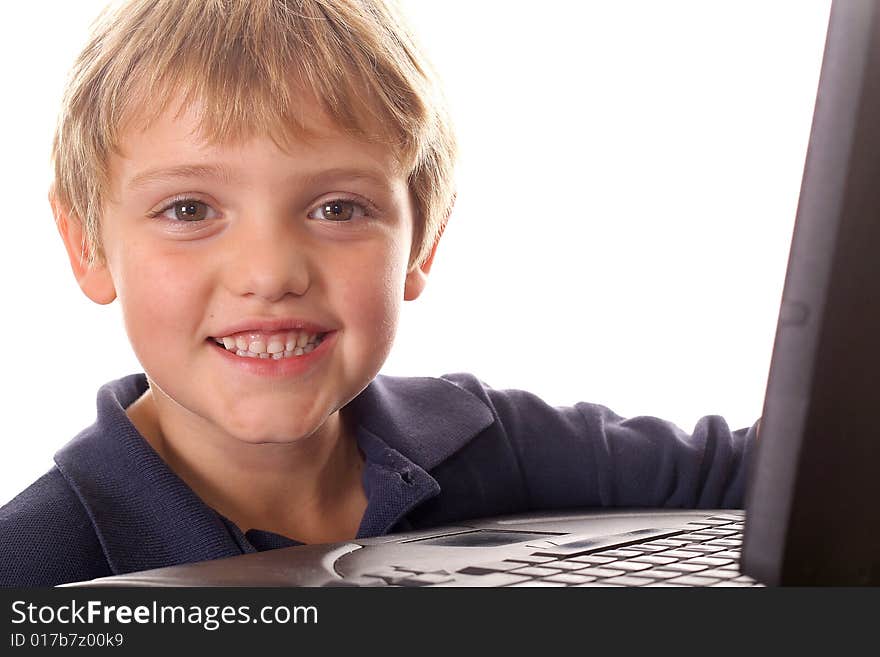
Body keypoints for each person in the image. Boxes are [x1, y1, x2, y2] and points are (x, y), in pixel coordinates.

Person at [0, 0, 757, 587]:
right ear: (86, 246)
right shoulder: (30, 566)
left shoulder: (493, 441)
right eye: (190, 210)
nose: (269, 273)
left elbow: (773, 474)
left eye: (337, 208)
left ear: (421, 241)